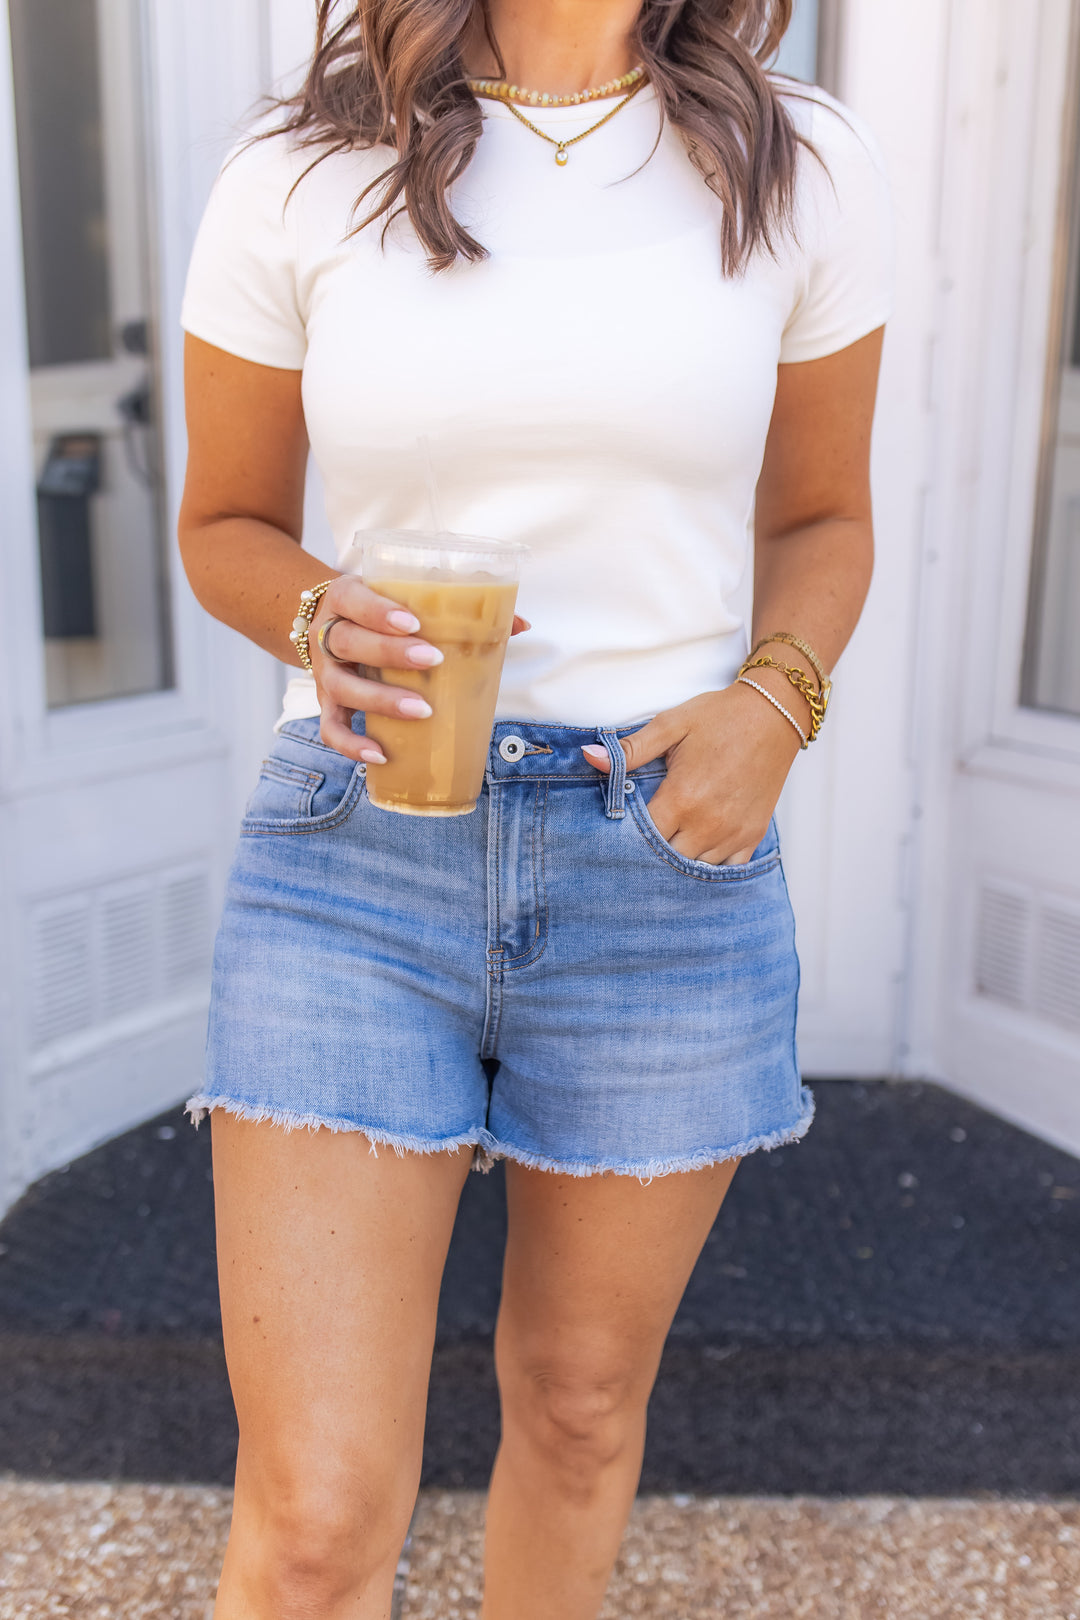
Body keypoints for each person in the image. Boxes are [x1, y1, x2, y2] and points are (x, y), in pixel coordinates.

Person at [178, 1, 892, 1614]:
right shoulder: (302, 167)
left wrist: (774, 707)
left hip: (662, 853)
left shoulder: (801, 164)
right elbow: (223, 521)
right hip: (359, 853)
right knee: (314, 1519)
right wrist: (313, 617)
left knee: (576, 1412)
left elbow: (830, 514)